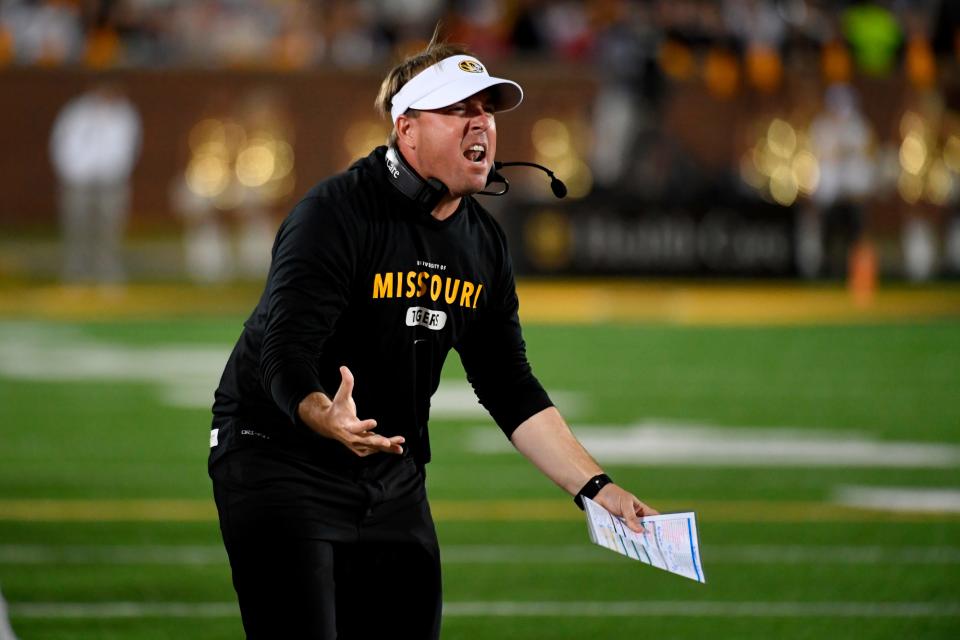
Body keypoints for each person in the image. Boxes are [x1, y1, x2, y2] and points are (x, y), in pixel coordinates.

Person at [208, 32, 657, 639]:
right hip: (280, 454)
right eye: (458, 110)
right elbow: (283, 352)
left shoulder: (483, 244)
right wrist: (324, 414)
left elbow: (508, 384)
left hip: (390, 469)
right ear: (407, 129)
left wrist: (596, 488)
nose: (482, 126)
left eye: (487, 111)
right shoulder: (335, 213)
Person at [49, 82, 142, 284]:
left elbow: (128, 147)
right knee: (77, 228)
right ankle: (76, 275)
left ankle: (107, 274)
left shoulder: (124, 114)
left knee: (109, 230)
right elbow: (62, 143)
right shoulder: (77, 111)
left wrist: (113, 172)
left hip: (111, 182)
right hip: (78, 181)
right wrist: (73, 172)